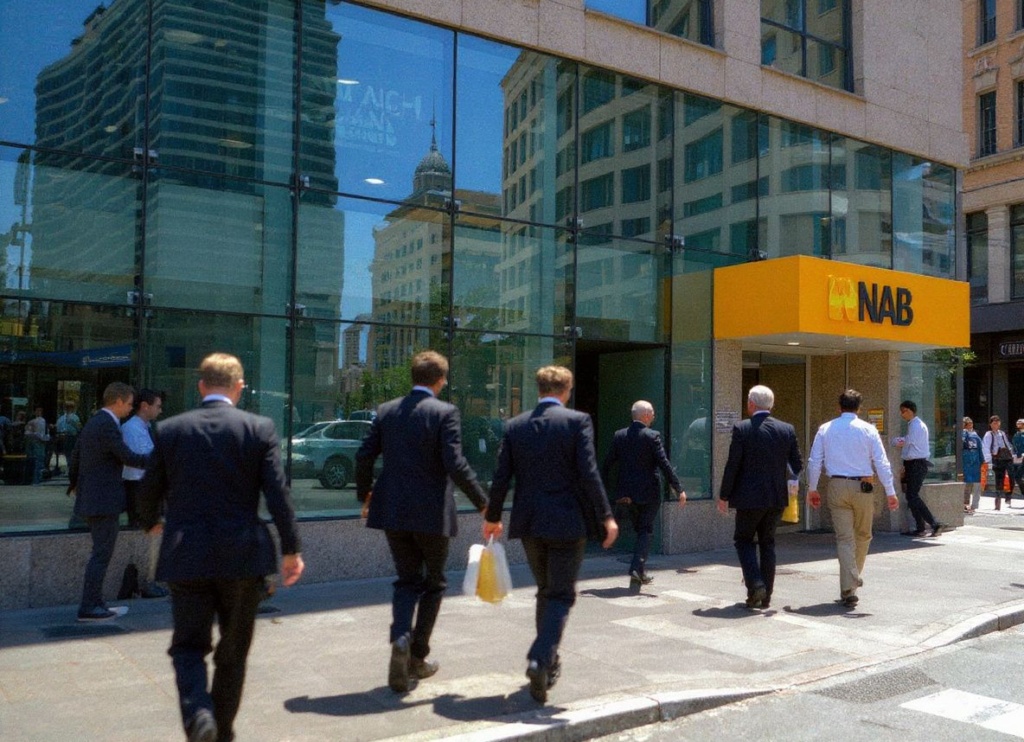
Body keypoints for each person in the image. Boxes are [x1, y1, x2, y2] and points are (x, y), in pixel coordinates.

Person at [137, 353, 304, 742]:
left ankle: (199, 715)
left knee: (188, 647)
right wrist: (291, 549)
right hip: (243, 557)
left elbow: (147, 491)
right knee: (233, 653)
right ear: (239, 387)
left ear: (200, 386)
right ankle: (221, 731)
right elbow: (278, 495)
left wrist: (151, 522)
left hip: (187, 554)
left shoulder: (169, 430)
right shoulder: (258, 428)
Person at [355, 350, 488, 694]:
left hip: (393, 510)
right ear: (440, 380)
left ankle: (401, 638)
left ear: (413, 376)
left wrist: (364, 495)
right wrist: (485, 504)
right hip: (432, 513)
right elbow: (455, 463)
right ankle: (416, 657)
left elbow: (364, 455)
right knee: (435, 583)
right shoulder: (445, 412)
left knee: (406, 581)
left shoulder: (386, 411)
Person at [484, 365, 619, 704]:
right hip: (568, 523)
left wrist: (492, 516)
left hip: (530, 524)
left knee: (546, 592)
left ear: (539, 389)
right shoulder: (577, 422)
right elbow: (589, 473)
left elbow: (502, 477)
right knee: (560, 596)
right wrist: (606, 516)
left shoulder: (516, 426)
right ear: (566, 391)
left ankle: (548, 663)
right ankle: (539, 656)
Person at [807, 389, 898, 608]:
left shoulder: (825, 429)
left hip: (836, 484)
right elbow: (881, 462)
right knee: (864, 535)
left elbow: (814, 460)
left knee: (844, 538)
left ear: (839, 407)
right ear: (859, 408)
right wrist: (890, 491)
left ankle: (849, 585)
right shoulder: (868, 430)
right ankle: (851, 580)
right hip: (863, 485)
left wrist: (812, 488)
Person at [716, 385, 802, 610]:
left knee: (743, 540)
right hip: (776, 497)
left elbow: (732, 465)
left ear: (751, 404)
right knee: (768, 543)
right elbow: (797, 464)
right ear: (771, 405)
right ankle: (766, 595)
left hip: (748, 498)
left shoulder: (742, 428)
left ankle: (755, 585)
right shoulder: (787, 429)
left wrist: (724, 494)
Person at [69, 382, 149, 621]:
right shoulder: (106, 425)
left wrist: (75, 485)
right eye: (129, 404)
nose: (130, 409)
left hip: (96, 499)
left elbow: (76, 456)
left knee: (100, 553)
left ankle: (96, 603)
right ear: (117, 401)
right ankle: (90, 606)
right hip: (102, 501)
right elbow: (128, 457)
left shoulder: (97, 423)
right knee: (101, 555)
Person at [601, 399, 685, 585]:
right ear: (646, 415)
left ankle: (639, 570)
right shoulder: (652, 436)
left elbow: (607, 464)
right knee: (645, 530)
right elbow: (664, 464)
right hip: (648, 494)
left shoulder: (619, 435)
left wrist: (606, 489)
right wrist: (678, 488)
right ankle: (636, 568)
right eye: (653, 413)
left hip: (626, 494)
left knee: (640, 530)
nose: (654, 416)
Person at [122, 388, 168, 598]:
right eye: (157, 406)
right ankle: (144, 582)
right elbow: (138, 463)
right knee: (145, 535)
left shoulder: (147, 428)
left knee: (152, 536)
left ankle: (149, 580)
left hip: (148, 488)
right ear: (145, 406)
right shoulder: (132, 429)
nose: (160, 410)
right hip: (139, 488)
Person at [896, 400, 947, 538]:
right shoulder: (914, 424)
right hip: (912, 464)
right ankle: (921, 527)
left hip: (916, 464)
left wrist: (893, 441)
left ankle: (933, 523)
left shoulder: (916, 426)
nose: (902, 414)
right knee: (911, 496)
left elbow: (907, 441)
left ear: (911, 410)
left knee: (912, 495)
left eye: (903, 411)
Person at [982, 415, 1013, 510]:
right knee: (999, 480)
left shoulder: (1002, 433)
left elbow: (1007, 443)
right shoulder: (988, 434)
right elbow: (986, 448)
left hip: (1007, 458)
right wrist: (989, 461)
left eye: (998, 422)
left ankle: (1008, 497)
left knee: (1012, 476)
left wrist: (1012, 453)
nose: (996, 425)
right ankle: (998, 501)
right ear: (990, 424)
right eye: (994, 423)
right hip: (997, 459)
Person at [962, 417, 983, 514]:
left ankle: (971, 505)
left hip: (972, 462)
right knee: (969, 484)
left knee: (973, 485)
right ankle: (967, 504)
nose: (970, 425)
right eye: (968, 423)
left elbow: (980, 449)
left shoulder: (974, 435)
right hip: (970, 462)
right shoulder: (966, 434)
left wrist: (982, 460)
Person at [55, 402, 82, 475]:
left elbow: (78, 428)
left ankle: (71, 468)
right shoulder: (61, 418)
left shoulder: (75, 417)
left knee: (71, 453)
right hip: (63, 436)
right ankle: (69, 467)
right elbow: (58, 426)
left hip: (72, 437)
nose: (68, 409)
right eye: (67, 407)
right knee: (66, 453)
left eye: (70, 407)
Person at [24, 405, 49, 484]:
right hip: (36, 443)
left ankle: (37, 479)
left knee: (39, 460)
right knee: (36, 460)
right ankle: (35, 479)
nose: (38, 412)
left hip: (39, 443)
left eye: (40, 411)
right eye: (37, 410)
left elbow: (45, 432)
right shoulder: (32, 422)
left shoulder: (42, 421)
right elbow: (27, 432)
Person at [1012, 419, 1024, 503]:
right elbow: (1014, 445)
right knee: (1017, 477)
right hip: (1017, 458)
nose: (1018, 425)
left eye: (1020, 423)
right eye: (1017, 423)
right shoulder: (1016, 435)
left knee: (1018, 476)